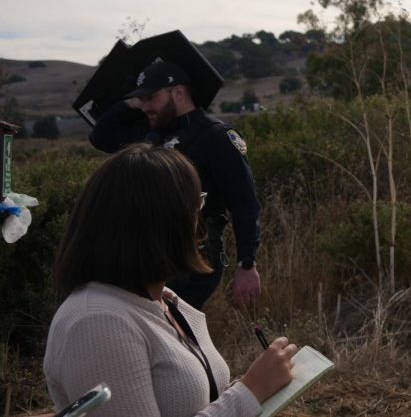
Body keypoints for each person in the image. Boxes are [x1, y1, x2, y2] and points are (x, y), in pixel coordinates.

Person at [43, 144, 297, 416]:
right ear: (162, 223)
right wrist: (251, 391)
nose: (199, 218)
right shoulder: (97, 323)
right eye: (196, 204)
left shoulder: (164, 302)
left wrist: (256, 388)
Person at [88, 61, 262, 309]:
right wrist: (131, 103)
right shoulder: (152, 134)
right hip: (151, 254)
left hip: (196, 256)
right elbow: (100, 137)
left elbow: (245, 203)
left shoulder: (215, 136)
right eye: (142, 100)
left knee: (172, 328)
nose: (146, 106)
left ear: (178, 93)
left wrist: (247, 263)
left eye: (151, 97)